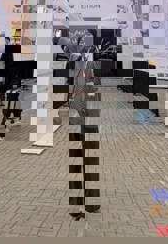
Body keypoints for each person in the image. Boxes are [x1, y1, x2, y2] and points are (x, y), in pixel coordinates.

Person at [66, 28, 101, 220]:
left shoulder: (95, 64)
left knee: (91, 162)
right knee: (75, 163)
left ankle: (92, 203)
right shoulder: (75, 63)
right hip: (76, 117)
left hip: (90, 118)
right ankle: (75, 204)